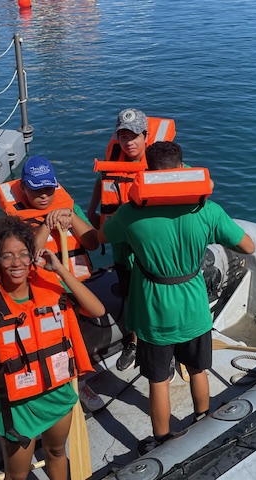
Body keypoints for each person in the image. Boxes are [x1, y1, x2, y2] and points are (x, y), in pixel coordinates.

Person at [98, 141, 255, 455]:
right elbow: (248, 247)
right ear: (182, 169)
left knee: (158, 380)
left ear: (148, 172)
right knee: (197, 370)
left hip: (153, 311)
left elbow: (98, 237)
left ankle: (161, 441)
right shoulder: (207, 210)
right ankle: (202, 420)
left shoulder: (130, 214)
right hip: (194, 307)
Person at [0, 215, 105, 480]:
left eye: (24, 254)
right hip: (18, 406)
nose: (17, 263)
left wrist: (60, 270)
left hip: (58, 394)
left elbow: (97, 310)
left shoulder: (49, 284)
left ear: (32, 255)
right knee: (17, 474)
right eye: (7, 256)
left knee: (56, 452)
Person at [0, 155, 104, 411]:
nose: (43, 196)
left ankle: (80, 382)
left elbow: (92, 242)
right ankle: (54, 385)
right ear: (23, 188)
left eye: (48, 189)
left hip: (72, 288)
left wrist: (70, 217)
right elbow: (28, 257)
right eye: (36, 190)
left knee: (79, 337)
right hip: (43, 293)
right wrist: (47, 224)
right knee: (53, 342)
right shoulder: (14, 222)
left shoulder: (68, 207)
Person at [87, 108, 176, 372]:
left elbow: (186, 186)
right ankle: (134, 342)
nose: (128, 143)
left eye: (134, 136)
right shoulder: (115, 156)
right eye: (123, 136)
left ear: (146, 135)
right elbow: (103, 179)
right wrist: (92, 209)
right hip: (121, 240)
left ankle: (165, 348)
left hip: (150, 243)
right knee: (129, 293)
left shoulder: (159, 161)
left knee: (155, 295)